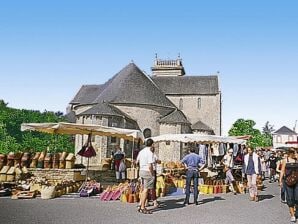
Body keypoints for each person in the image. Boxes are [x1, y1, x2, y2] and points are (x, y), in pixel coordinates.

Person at [136, 138, 155, 214]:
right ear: (152, 144)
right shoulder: (149, 153)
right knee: (146, 190)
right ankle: (143, 207)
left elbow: (137, 161)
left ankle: (140, 204)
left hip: (141, 171)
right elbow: (150, 165)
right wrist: (152, 173)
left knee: (143, 188)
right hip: (147, 171)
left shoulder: (141, 151)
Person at [279, 148, 298, 223]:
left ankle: (296, 209)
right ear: (291, 153)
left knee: (297, 197)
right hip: (288, 182)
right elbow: (282, 170)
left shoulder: (297, 160)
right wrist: (280, 180)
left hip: (297, 181)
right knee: (290, 198)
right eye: (295, 152)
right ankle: (293, 215)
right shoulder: (285, 160)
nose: (296, 154)